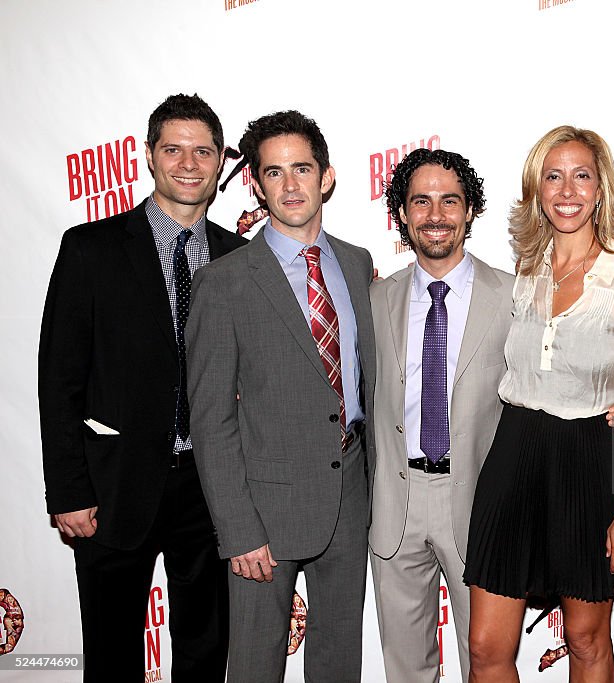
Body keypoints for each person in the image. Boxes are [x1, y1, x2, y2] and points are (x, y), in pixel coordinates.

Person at [38, 93, 241, 682]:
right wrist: (67, 489)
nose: (188, 162)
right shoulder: (90, 248)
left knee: (207, 653)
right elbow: (59, 379)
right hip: (111, 485)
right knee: (112, 656)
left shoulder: (239, 256)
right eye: (173, 149)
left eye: (203, 151)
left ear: (220, 162)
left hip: (211, 490)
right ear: (147, 155)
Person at [464, 125, 614, 682]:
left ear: (601, 188)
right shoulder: (525, 272)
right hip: (515, 454)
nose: (567, 190)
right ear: (536, 191)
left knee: (584, 639)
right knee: (485, 648)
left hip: (588, 458)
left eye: (582, 175)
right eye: (552, 177)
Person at [187, 110, 375, 682]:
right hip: (263, 508)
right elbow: (210, 418)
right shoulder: (224, 282)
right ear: (256, 184)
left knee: (339, 657)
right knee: (254, 662)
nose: (290, 185)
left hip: (351, 491)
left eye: (302, 169)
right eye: (274, 172)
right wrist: (237, 528)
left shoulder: (357, 262)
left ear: (328, 177)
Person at [369, 147, 514, 682]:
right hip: (395, 505)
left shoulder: (512, 296)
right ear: (402, 214)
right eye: (421, 201)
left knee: (487, 663)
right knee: (406, 668)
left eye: (450, 201)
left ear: (470, 210)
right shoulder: (376, 297)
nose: (435, 215)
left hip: (479, 502)